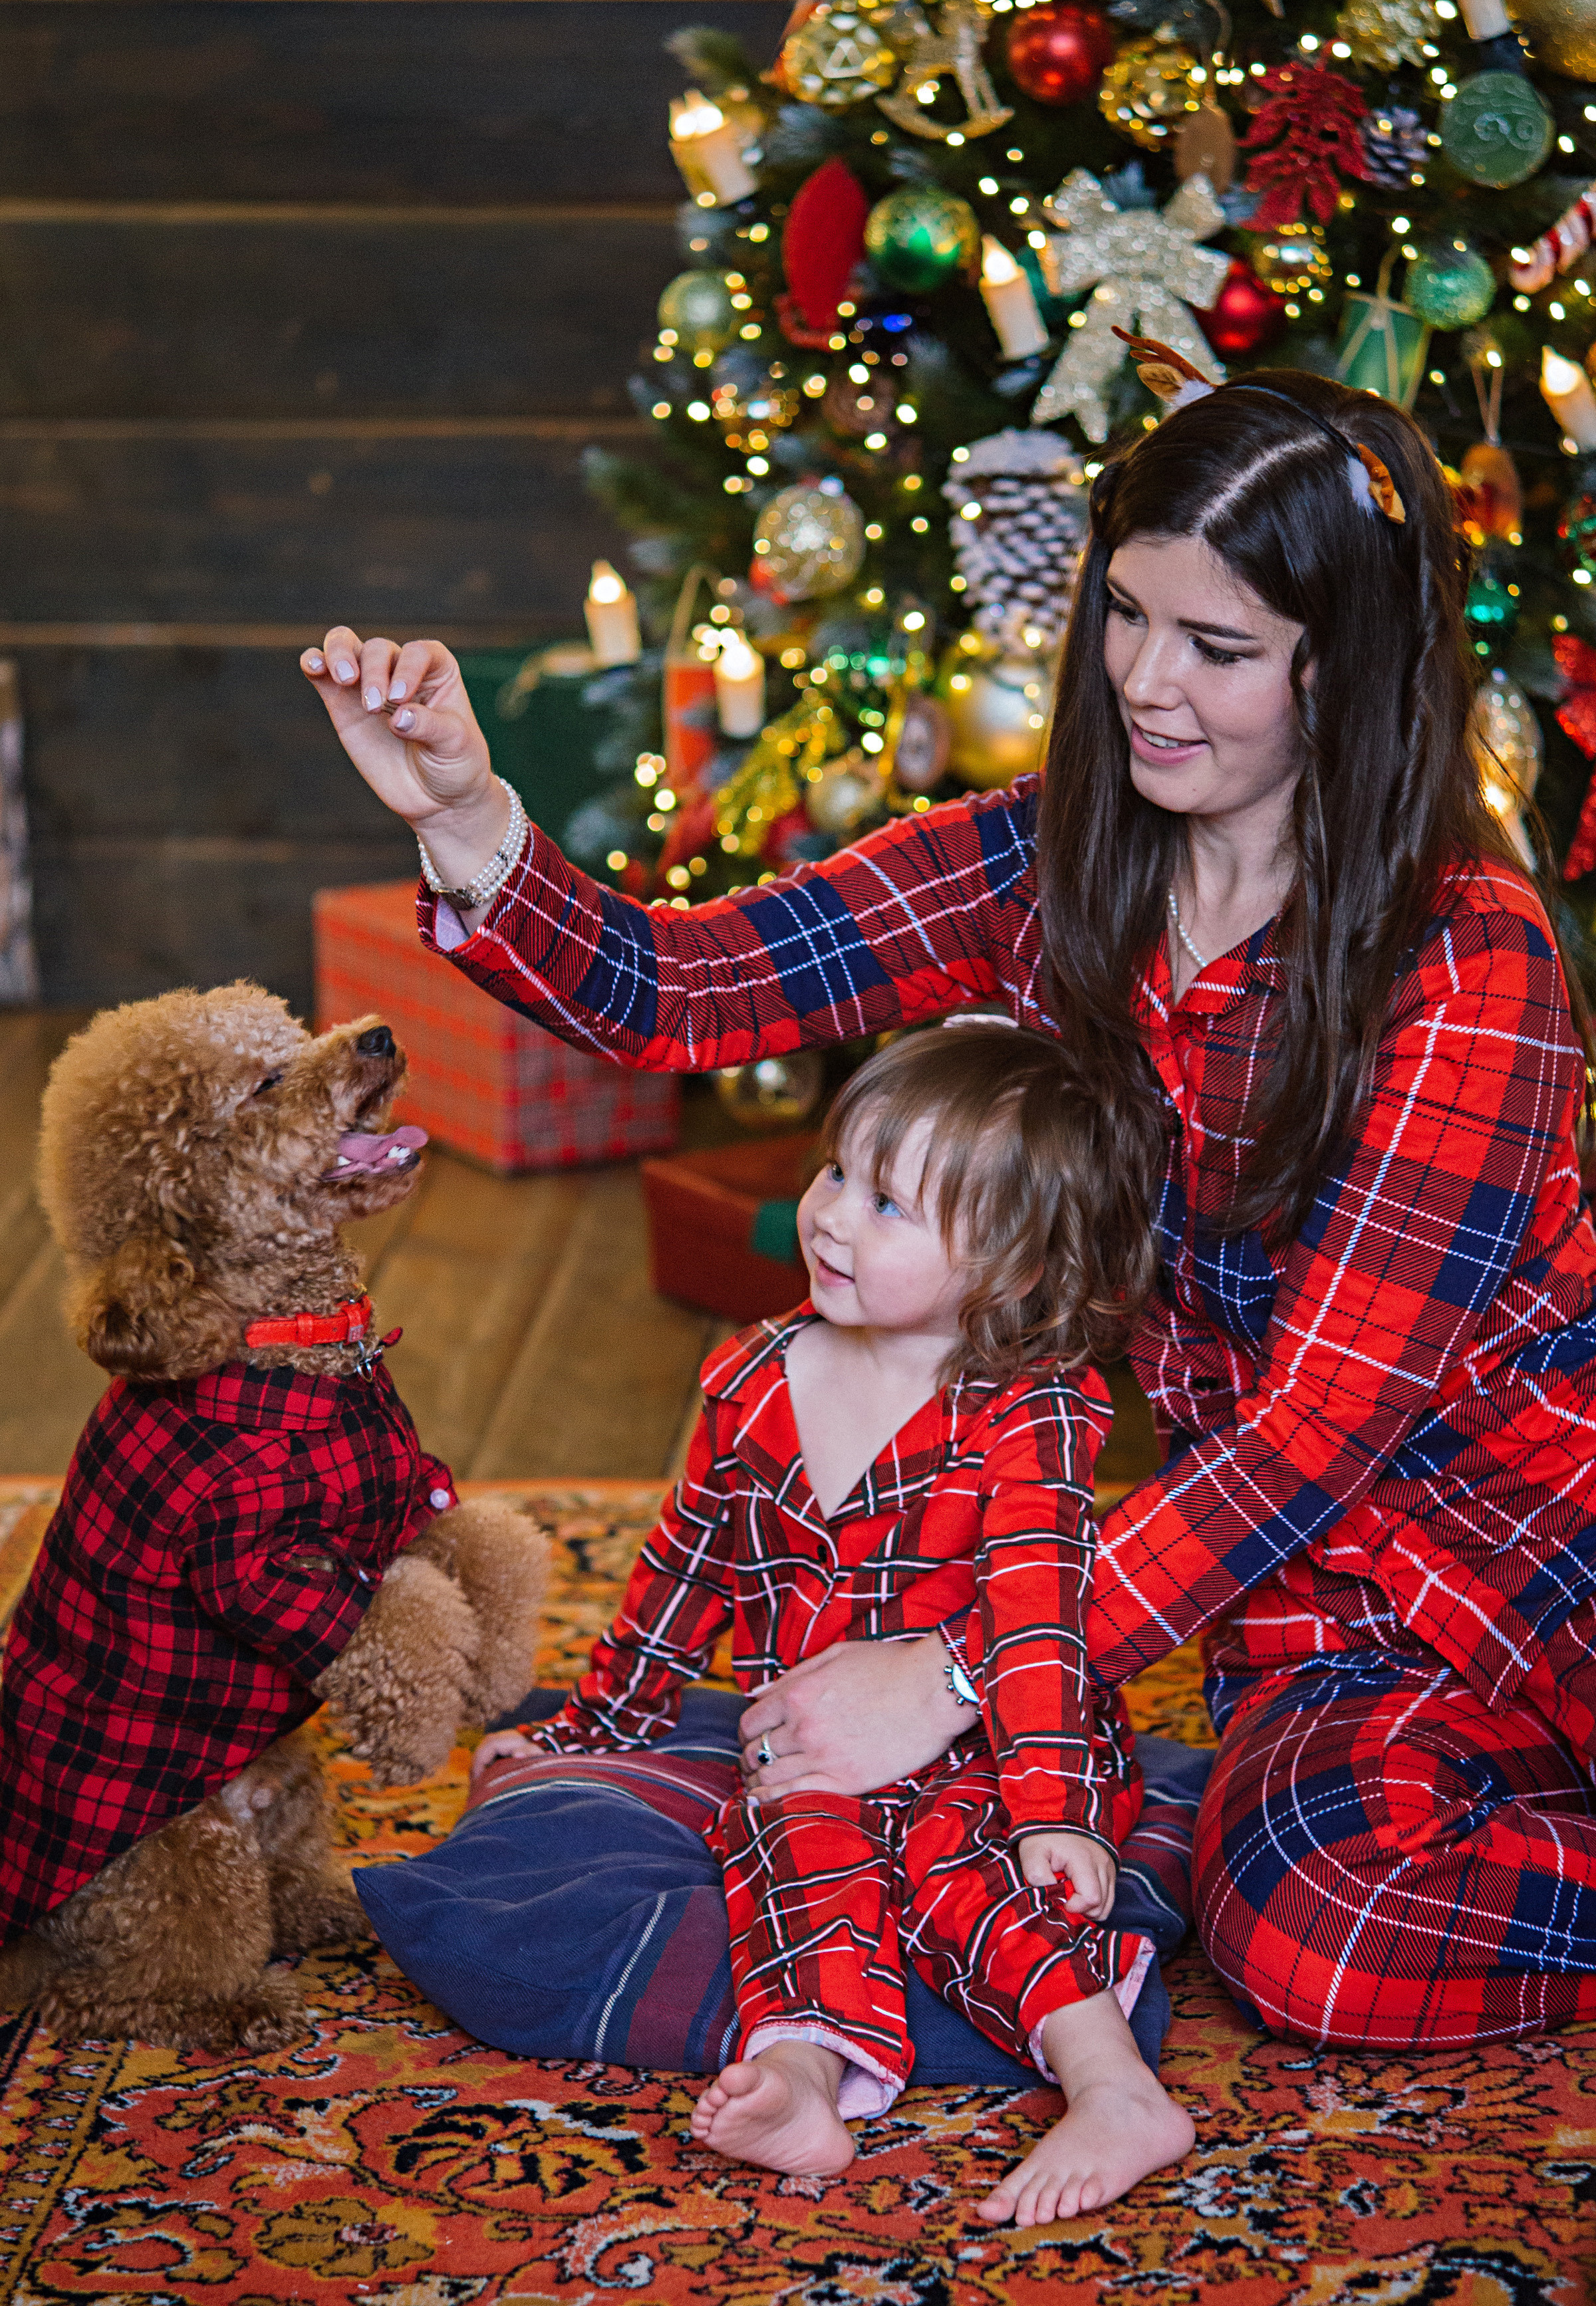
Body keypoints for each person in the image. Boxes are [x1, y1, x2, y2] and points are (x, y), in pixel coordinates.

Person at [303, 357, 1596, 2063]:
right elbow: (686, 988)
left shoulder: (1466, 957)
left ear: (1342, 669)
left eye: (1217, 650)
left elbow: (1322, 1431)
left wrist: (969, 1669)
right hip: (1310, 1621)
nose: (1142, 682)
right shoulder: (1054, 868)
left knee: (1310, 1931)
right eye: (1126, 616)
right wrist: (468, 818)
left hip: (1528, 1563)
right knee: (1306, 1934)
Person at [473, 1020, 1192, 2222]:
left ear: (1015, 1267)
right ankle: (808, 2070)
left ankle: (1112, 2085)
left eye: (891, 1206)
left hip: (998, 1752)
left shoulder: (1030, 1414)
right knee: (784, 1831)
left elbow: (1039, 1624)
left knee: (956, 1862)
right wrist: (589, 1727)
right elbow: (681, 1574)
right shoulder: (752, 1379)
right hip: (818, 1742)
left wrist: (1057, 1812)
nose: (835, 1217)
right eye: (837, 1174)